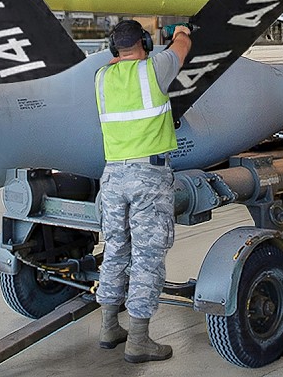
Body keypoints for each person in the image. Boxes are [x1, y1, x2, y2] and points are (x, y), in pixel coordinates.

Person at [94, 19, 192, 363]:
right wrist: (181, 31)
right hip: (148, 178)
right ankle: (138, 340)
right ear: (145, 45)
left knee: (116, 250)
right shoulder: (155, 69)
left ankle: (109, 327)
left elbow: (115, 63)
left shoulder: (102, 78)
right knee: (147, 257)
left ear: (112, 48)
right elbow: (182, 49)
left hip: (112, 177)